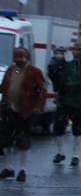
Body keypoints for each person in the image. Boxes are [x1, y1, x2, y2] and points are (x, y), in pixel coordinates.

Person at [0, 47, 47, 183]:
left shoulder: (35, 72)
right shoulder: (10, 70)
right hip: (8, 109)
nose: (19, 60)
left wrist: (38, 107)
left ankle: (23, 169)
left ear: (27, 58)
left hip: (25, 112)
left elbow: (42, 91)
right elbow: (4, 88)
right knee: (5, 140)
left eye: (22, 57)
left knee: (23, 141)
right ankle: (9, 167)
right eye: (16, 57)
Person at [52, 43, 81, 167]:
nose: (77, 52)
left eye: (80, 50)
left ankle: (75, 154)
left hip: (78, 101)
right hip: (64, 100)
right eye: (75, 50)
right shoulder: (67, 65)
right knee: (58, 126)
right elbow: (59, 78)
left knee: (77, 127)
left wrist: (69, 85)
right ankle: (60, 152)